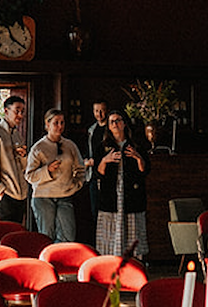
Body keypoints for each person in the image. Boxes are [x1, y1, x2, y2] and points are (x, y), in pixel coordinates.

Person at [91, 111, 149, 256]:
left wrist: (137, 158)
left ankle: (134, 260)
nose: (115, 124)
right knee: (110, 230)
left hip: (132, 195)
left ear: (124, 124)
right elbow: (97, 173)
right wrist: (105, 160)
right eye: (112, 122)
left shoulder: (136, 145)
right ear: (109, 127)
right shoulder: (103, 147)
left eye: (118, 120)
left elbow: (145, 171)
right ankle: (110, 261)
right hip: (110, 195)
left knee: (132, 228)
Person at [24, 108, 84, 241]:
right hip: (43, 197)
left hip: (65, 195)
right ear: (47, 124)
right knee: (46, 237)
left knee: (68, 236)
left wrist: (75, 185)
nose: (60, 126)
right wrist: (47, 170)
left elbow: (81, 169)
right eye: (56, 123)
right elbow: (29, 176)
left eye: (62, 122)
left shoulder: (70, 145)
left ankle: (63, 261)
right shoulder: (38, 148)